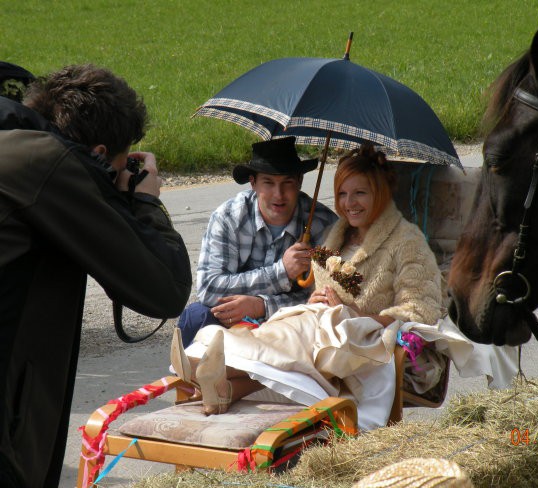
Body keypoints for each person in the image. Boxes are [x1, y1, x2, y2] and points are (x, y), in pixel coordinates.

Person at [0, 64, 192, 487]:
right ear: (100, 155)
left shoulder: (14, 145)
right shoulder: (48, 166)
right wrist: (144, 202)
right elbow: (165, 288)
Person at [171, 143, 447, 430]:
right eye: (343, 194)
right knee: (268, 332)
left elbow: (420, 309)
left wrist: (350, 313)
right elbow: (210, 287)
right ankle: (223, 387)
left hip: (352, 333)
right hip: (314, 319)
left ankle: (205, 366)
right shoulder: (335, 234)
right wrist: (291, 283)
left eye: (360, 193)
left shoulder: (403, 241)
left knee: (286, 340)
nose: (350, 203)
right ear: (253, 184)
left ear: (379, 192)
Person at [176, 136, 337, 347]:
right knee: (195, 316)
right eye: (268, 183)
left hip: (293, 327)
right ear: (253, 183)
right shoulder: (229, 217)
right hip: (234, 323)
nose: (278, 195)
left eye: (287, 183)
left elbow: (324, 298)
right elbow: (209, 288)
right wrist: (281, 272)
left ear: (299, 181)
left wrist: (262, 306)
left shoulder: (324, 224)